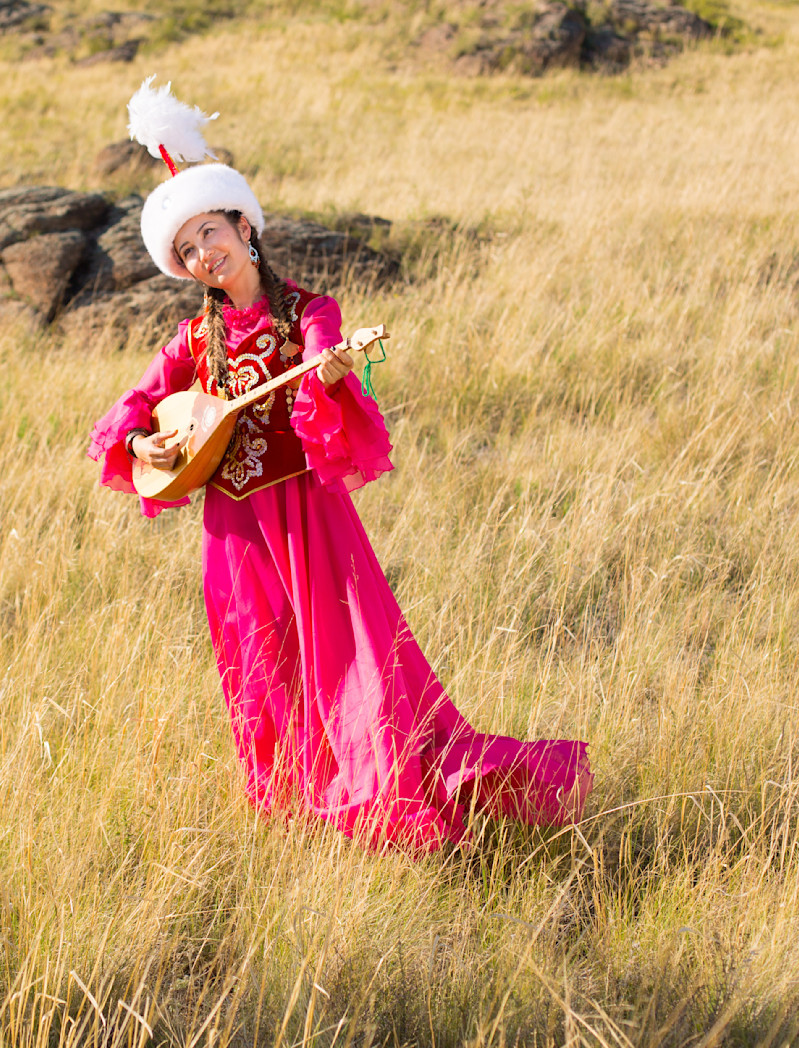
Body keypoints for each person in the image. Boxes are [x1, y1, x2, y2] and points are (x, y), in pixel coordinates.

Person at [89, 83, 591, 851]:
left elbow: (328, 364)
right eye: (186, 250)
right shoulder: (191, 340)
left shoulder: (309, 313)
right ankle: (299, 807)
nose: (203, 253)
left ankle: (385, 794)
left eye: (210, 232)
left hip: (306, 515)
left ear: (243, 227)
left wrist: (325, 376)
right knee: (261, 662)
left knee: (351, 655)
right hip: (232, 532)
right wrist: (138, 445)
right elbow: (127, 410)